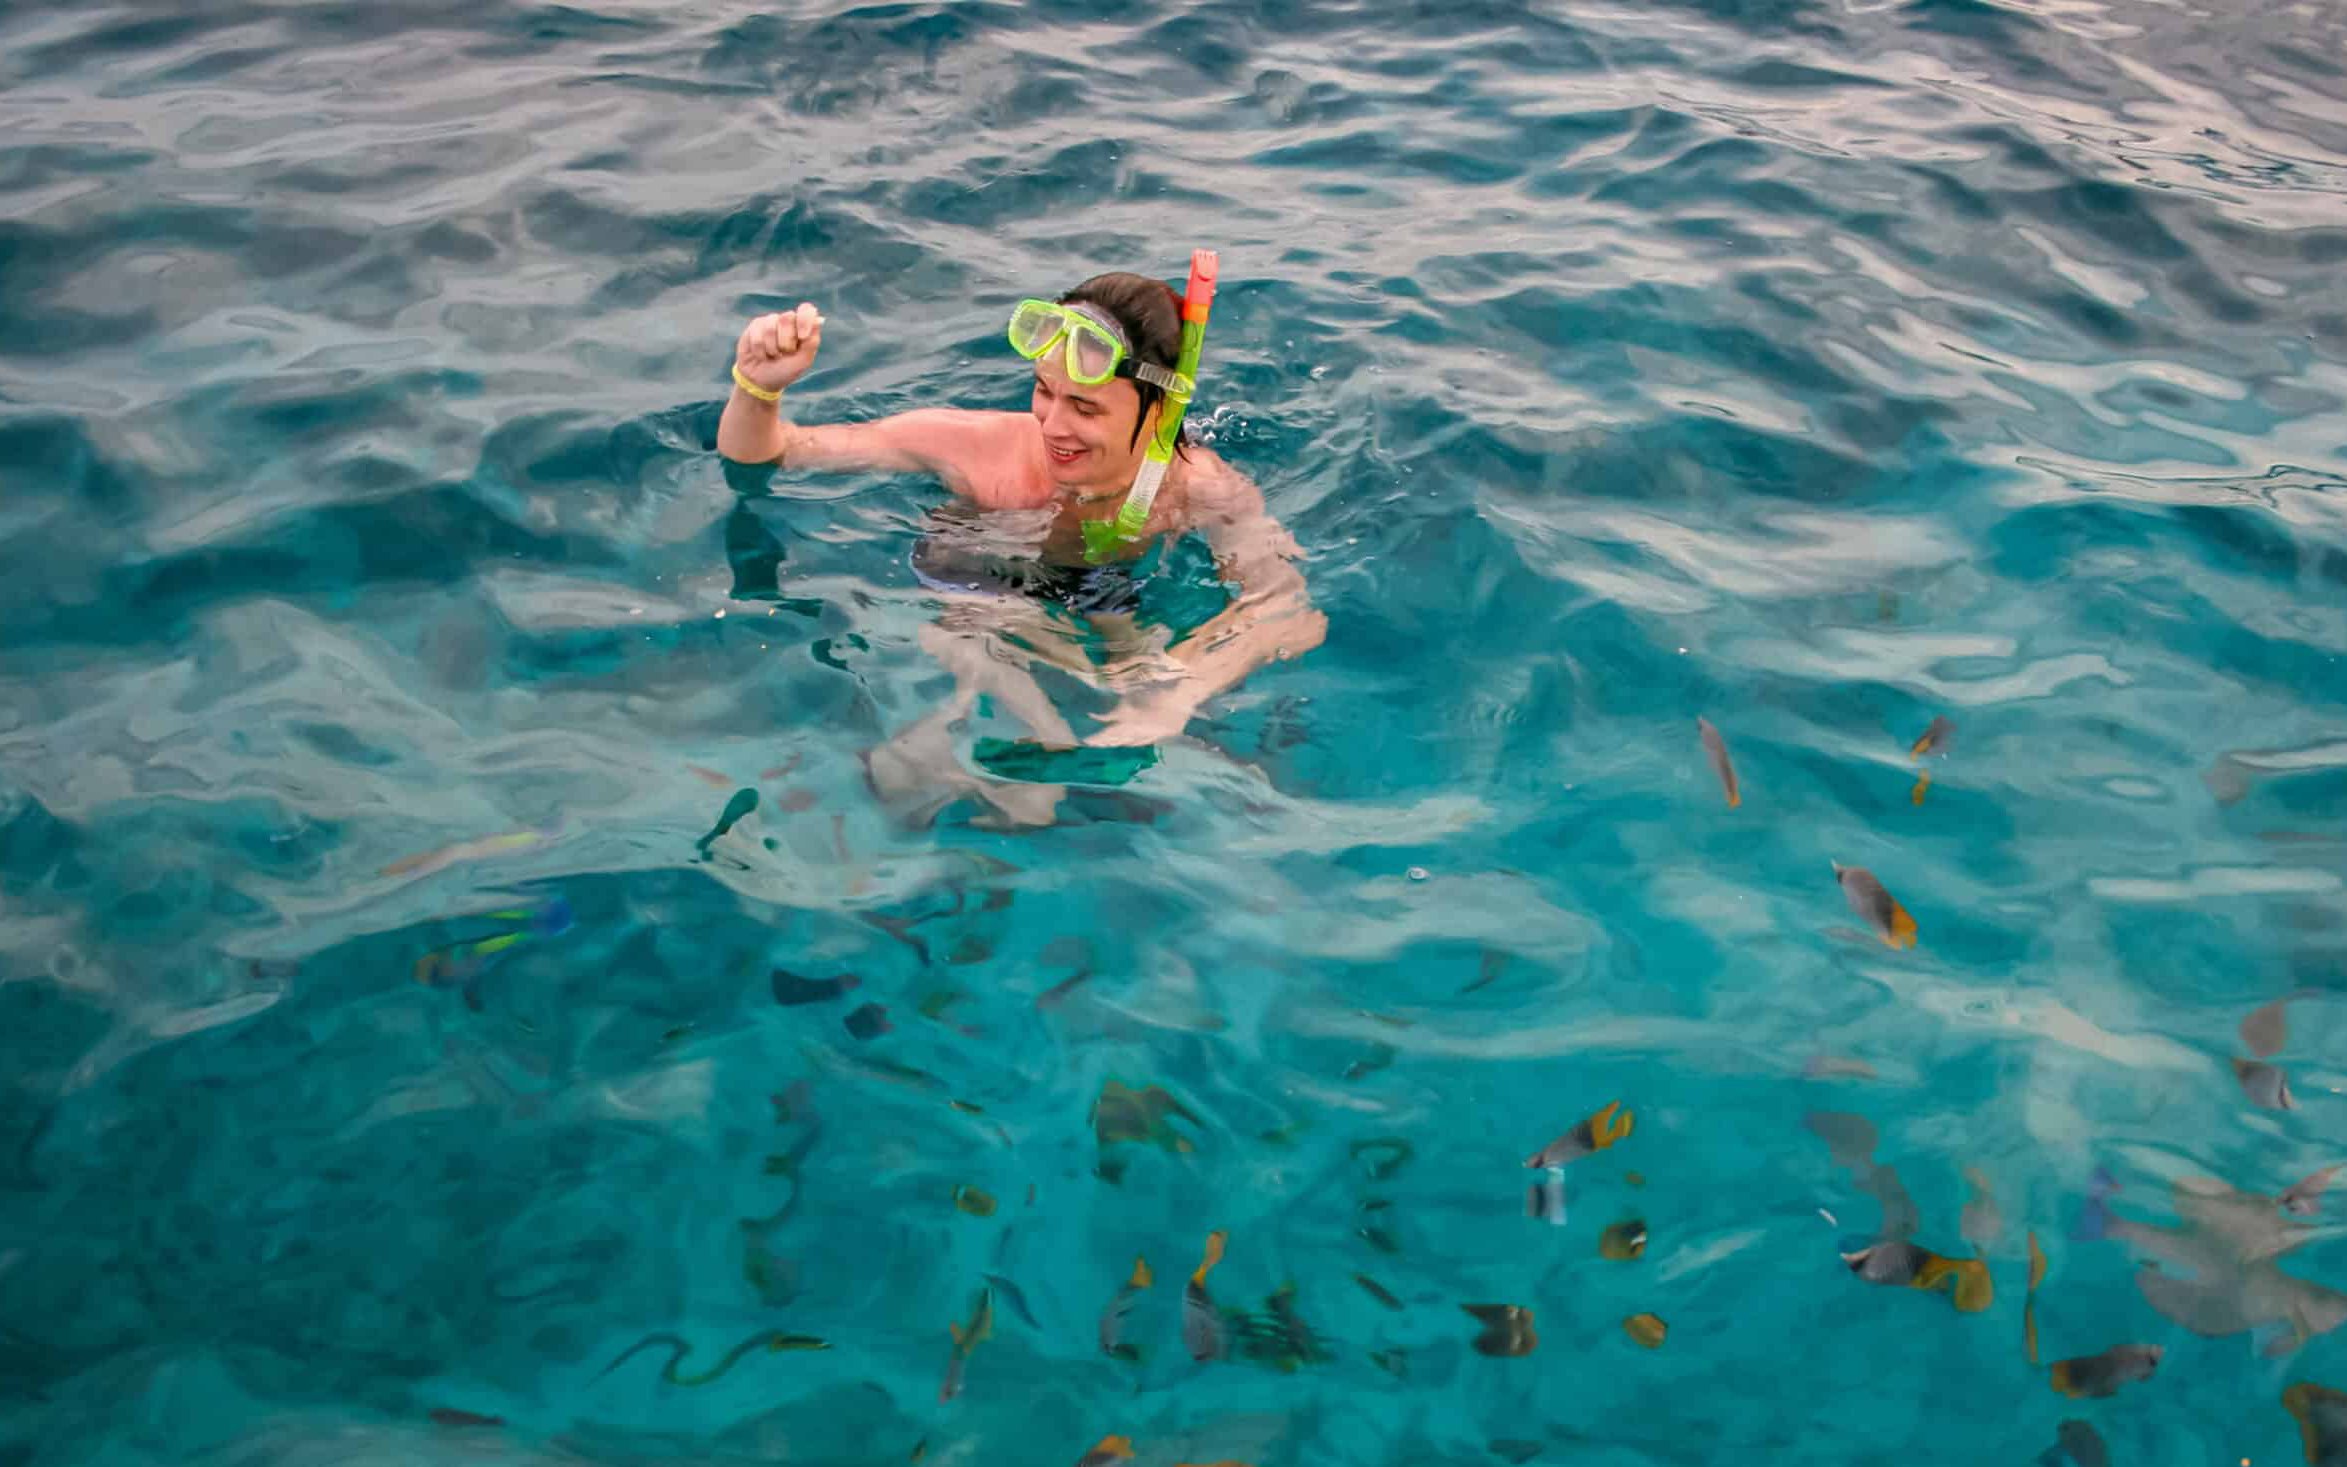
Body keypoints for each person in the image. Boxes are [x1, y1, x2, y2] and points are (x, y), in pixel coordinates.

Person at [715, 268, 1326, 827]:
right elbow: (777, 452)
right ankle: (1007, 753)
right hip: (976, 582)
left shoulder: (1203, 489)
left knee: (1147, 675)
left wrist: (1177, 695)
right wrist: (756, 390)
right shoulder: (978, 447)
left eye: (1084, 407)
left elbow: (1288, 612)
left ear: (1161, 410)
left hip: (1105, 599)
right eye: (1043, 391)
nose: (1052, 426)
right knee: (988, 637)